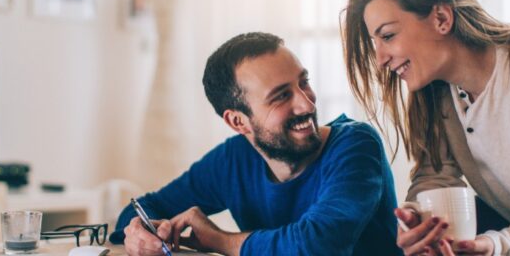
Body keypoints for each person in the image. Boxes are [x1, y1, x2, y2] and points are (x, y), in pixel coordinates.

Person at [108, 32, 402, 255]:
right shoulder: (233, 160)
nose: (306, 103)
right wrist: (139, 231)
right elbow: (144, 209)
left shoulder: (355, 146)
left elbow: (319, 245)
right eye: (281, 96)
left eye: (304, 82)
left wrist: (219, 240)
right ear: (238, 122)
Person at [343, 0, 510, 255]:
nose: (380, 59)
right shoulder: (440, 90)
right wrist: (417, 221)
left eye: (388, 36)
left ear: (441, 19)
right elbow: (437, 175)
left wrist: (496, 244)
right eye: (374, 43)